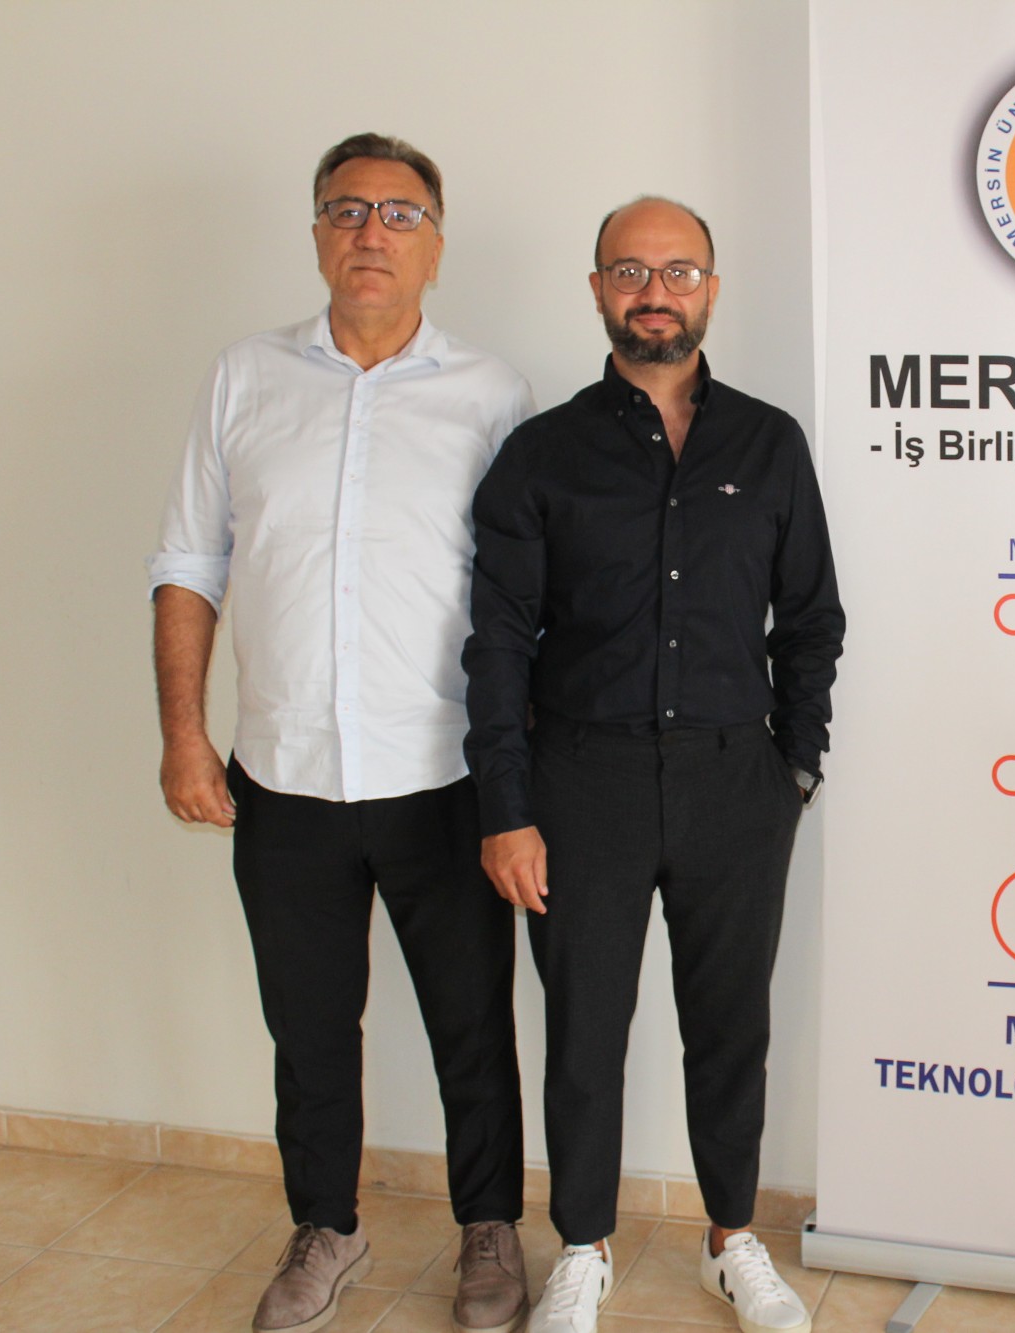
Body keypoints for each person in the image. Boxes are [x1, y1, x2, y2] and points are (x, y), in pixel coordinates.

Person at [149, 132, 535, 1333]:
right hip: (284, 775)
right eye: (347, 209)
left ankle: (488, 1228)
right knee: (308, 1028)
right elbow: (189, 562)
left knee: (472, 1023)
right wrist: (183, 734)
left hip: (442, 775)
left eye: (399, 213)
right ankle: (325, 1224)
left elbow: (524, 598)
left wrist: (521, 774)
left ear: (434, 245)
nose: (372, 232)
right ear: (317, 233)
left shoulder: (493, 395)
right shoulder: (244, 377)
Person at [464, 196, 842, 1333]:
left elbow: (811, 618)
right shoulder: (541, 453)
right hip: (582, 784)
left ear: (710, 290)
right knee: (584, 1031)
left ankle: (732, 1239)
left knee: (730, 1026)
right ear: (597, 290)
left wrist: (793, 771)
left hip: (738, 783)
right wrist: (506, 807)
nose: (654, 293)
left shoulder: (769, 443)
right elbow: (497, 642)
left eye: (678, 272)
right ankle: (582, 1248)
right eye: (630, 271)